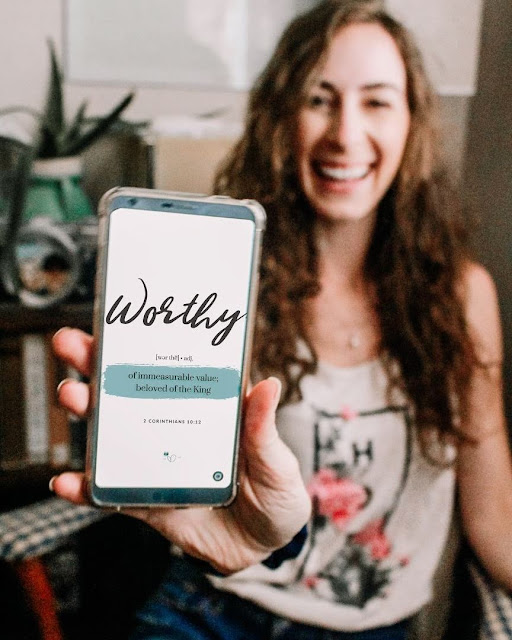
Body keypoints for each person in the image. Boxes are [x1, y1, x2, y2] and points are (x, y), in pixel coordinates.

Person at [50, 1, 512, 638]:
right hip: (210, 609)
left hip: (373, 628)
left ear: (411, 121)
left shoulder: (461, 297)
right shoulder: (222, 283)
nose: (345, 133)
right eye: (320, 99)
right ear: (281, 118)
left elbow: (494, 518)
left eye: (377, 101)